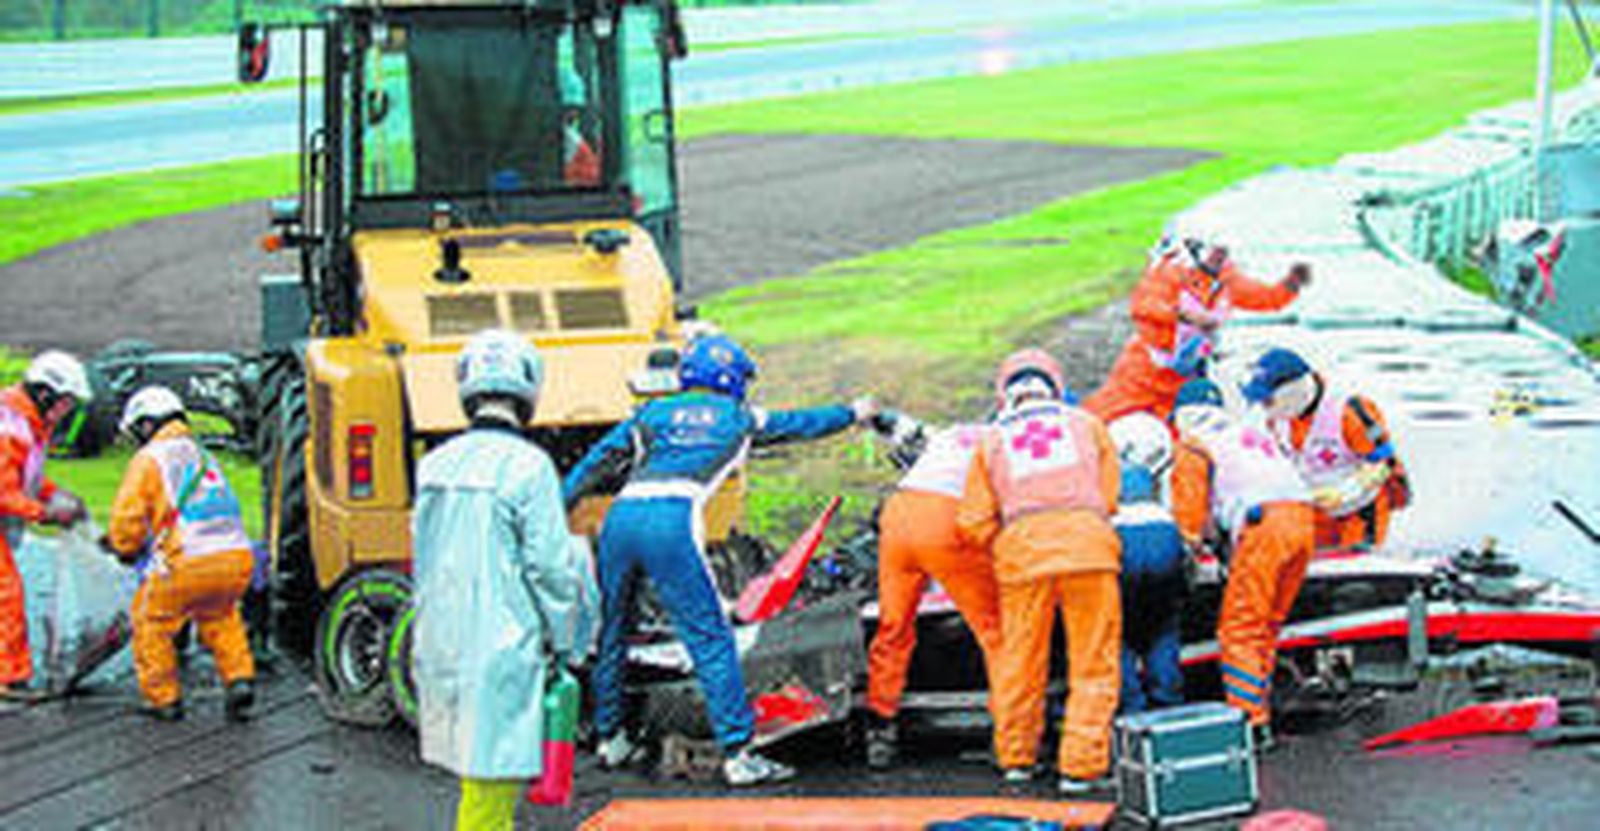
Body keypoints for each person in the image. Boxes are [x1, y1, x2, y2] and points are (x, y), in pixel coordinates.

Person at [563, 333, 877, 787]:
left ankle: (611, 739)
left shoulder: (650, 413)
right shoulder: (738, 416)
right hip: (672, 519)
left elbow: (596, 462)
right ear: (729, 377)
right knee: (710, 638)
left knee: (613, 628)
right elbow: (802, 423)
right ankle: (738, 753)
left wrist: (557, 504)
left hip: (622, 516)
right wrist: (852, 413)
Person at [412, 330, 598, 831]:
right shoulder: (528, 467)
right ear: (529, 390)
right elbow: (550, 568)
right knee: (491, 784)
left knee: (476, 776)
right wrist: (566, 642)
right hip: (504, 645)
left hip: (441, 640)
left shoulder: (434, 466)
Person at [957, 348, 1122, 795]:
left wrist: (1011, 542)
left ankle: (1016, 759)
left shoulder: (991, 439)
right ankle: (1081, 768)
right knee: (1093, 663)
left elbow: (972, 521)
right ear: (1055, 385)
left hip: (1022, 559)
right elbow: (1109, 497)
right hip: (1089, 551)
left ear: (1005, 393)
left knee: (1020, 663)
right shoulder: (1088, 424)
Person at [1167, 379, 1314, 745]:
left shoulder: (1193, 444)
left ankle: (1252, 723)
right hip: (1303, 519)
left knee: (1240, 630)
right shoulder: (1245, 432)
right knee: (1268, 625)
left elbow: (1188, 522)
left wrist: (1187, 556)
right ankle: (1262, 708)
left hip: (1263, 528)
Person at [103, 386, 257, 722]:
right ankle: (239, 678)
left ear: (146, 425)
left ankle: (163, 699)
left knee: (150, 620)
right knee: (221, 616)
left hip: (188, 561)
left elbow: (128, 518)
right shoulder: (204, 455)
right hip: (236, 557)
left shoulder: (151, 458)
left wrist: (123, 546)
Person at [862, 414, 1000, 769]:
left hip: (900, 513)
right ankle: (1009, 731)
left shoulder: (950, 431)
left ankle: (880, 728)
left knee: (893, 626)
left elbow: (899, 425)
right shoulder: (1008, 439)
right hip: (945, 519)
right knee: (994, 629)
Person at [1084, 229, 1312, 422]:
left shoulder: (1227, 278)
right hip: (1146, 369)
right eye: (1214, 251)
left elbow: (1263, 298)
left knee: (1182, 431)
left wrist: (1291, 284)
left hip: (1187, 377)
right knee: (1103, 418)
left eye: (1223, 252)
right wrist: (1183, 316)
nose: (1219, 257)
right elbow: (1143, 306)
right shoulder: (1170, 271)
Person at [1241, 348, 1411, 551]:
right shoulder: (1277, 421)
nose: (1263, 407)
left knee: (1352, 566)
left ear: (1292, 391)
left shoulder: (1349, 410)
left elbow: (1384, 464)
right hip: (1315, 507)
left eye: (1268, 400)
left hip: (1361, 510)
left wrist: (1344, 492)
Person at [0, 350, 91, 700]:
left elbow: (28, 477)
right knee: (6, 595)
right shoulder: (10, 428)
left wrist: (57, 495)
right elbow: (6, 492)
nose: (68, 411)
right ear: (45, 394)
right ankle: (10, 678)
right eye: (66, 402)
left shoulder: (28, 424)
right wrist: (48, 513)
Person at [1107, 413, 1187, 714]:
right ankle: (1169, 703)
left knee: (1118, 633)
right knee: (1163, 628)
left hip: (1120, 538)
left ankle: (1132, 710)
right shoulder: (1158, 476)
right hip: (1164, 535)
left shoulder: (1105, 469)